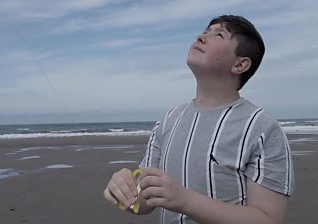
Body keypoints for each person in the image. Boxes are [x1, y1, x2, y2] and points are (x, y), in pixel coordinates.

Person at [103, 15, 294, 224]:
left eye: (218, 34)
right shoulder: (168, 121)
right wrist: (123, 190)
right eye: (205, 31)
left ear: (240, 64)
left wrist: (186, 201)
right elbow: (143, 201)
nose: (202, 37)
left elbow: (269, 219)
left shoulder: (262, 128)